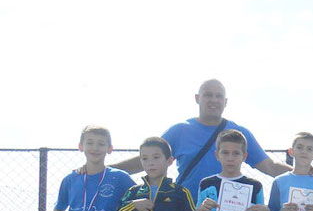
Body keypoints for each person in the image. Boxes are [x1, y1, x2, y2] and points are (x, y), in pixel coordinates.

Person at [109, 79, 292, 196]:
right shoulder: (179, 131)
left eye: (219, 96)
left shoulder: (239, 133)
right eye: (208, 95)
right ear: (197, 98)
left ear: (226, 102)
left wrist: (303, 172)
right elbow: (145, 160)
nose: (214, 100)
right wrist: (103, 170)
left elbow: (270, 167)